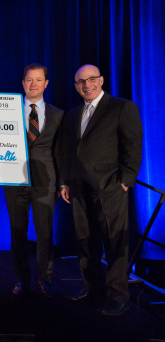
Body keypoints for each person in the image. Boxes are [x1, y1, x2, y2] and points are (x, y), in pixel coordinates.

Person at [59, 64, 143, 315]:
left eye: (92, 79)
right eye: (81, 82)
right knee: (86, 242)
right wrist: (64, 181)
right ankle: (91, 288)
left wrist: (125, 180)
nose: (87, 85)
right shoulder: (73, 114)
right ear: (76, 86)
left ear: (101, 80)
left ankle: (118, 295)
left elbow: (133, 145)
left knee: (115, 242)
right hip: (78, 188)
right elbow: (66, 150)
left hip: (110, 188)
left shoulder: (121, 106)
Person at [3, 63, 64, 298]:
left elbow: (61, 153)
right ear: (23, 83)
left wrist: (62, 183)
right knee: (17, 232)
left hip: (45, 182)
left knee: (45, 233)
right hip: (14, 180)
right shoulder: (7, 112)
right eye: (29, 80)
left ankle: (45, 278)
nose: (33, 84)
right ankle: (21, 278)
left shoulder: (58, 115)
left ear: (46, 83)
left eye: (38, 80)